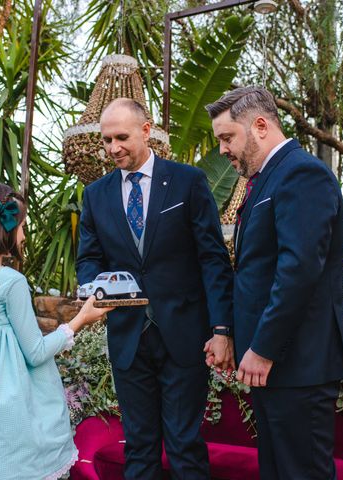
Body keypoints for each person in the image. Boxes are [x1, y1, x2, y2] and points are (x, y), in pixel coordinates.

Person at [206, 87, 343, 480]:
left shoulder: (301, 173)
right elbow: (256, 272)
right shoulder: (266, 179)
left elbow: (299, 269)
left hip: (298, 363)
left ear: (259, 125)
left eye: (227, 137)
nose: (223, 150)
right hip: (277, 367)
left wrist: (263, 347)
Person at [76, 98, 234, 479]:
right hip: (128, 340)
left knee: (184, 445)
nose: (113, 148)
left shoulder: (188, 181)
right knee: (140, 447)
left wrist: (222, 330)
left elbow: (213, 259)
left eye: (122, 137)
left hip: (184, 336)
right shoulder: (95, 195)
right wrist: (96, 287)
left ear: (146, 131)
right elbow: (88, 260)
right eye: (106, 140)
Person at [0, 182, 113, 480]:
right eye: (21, 226)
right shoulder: (10, 281)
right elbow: (35, 353)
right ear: (4, 226)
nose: (23, 235)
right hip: (9, 414)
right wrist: (80, 320)